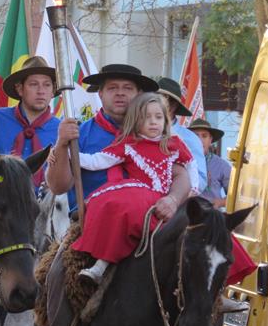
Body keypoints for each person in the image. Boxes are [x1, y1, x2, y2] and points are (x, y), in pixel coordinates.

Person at [43, 63, 159, 326]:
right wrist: (61, 144)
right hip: (89, 227)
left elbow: (180, 172)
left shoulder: (157, 132)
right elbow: (58, 186)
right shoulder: (79, 133)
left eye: (127, 88)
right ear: (101, 94)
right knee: (57, 272)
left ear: (139, 93)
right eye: (112, 88)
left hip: (148, 227)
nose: (120, 94)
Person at [67, 93, 192, 283]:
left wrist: (189, 193)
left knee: (207, 222)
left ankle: (215, 287)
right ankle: (101, 265)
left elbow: (191, 167)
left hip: (168, 198)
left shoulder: (174, 144)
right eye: (146, 117)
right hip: (141, 195)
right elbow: (97, 161)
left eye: (158, 117)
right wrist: (69, 153)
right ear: (135, 121)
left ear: (166, 120)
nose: (153, 122)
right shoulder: (128, 144)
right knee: (118, 209)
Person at [0, 56, 59, 177]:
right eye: (33, 84)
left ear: (53, 91)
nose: (41, 91)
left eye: (47, 85)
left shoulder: (62, 132)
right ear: (20, 89)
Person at [156, 77, 207, 195]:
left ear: (173, 105)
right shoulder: (139, 132)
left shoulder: (189, 138)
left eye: (160, 100)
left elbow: (200, 181)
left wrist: (175, 196)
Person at [189, 118, 231, 208]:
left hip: (211, 217)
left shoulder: (221, 165)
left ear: (210, 139)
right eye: (195, 136)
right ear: (189, 139)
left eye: (204, 136)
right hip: (184, 217)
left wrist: (220, 202)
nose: (200, 140)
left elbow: (236, 196)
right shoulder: (180, 162)